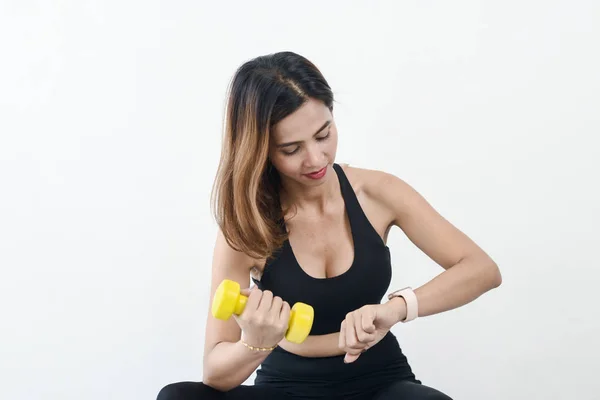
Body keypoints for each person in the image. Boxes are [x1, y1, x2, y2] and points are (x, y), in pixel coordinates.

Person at [157, 51, 502, 400]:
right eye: (291, 149)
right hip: (287, 388)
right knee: (178, 397)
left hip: (379, 381)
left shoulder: (378, 192)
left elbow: (481, 269)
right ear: (260, 150)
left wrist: (395, 309)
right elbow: (215, 373)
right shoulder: (247, 226)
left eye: (323, 135)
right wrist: (253, 343)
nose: (316, 159)